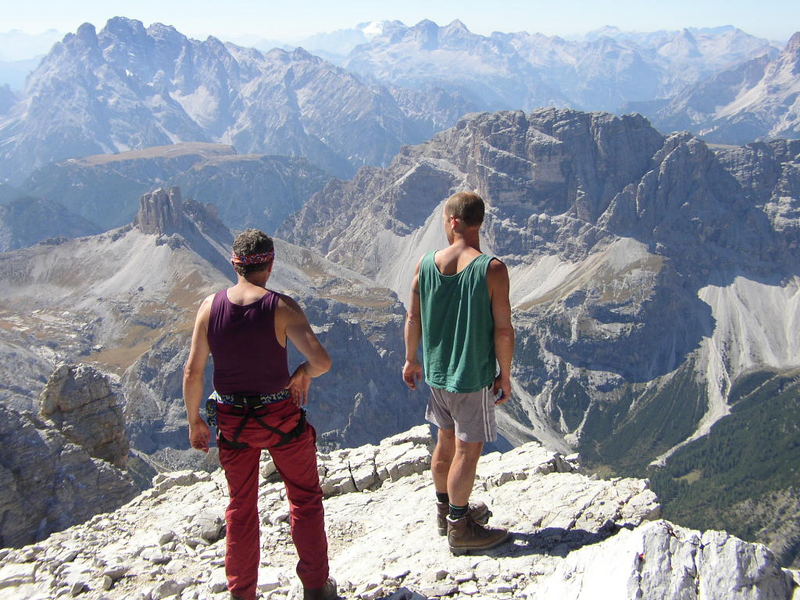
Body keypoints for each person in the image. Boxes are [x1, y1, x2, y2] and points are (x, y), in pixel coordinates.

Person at [183, 229, 336, 600]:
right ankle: (316, 589)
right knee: (304, 499)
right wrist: (300, 374)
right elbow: (321, 362)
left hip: (234, 424)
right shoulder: (281, 308)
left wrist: (195, 421)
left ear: (234, 264)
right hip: (281, 418)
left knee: (241, 507)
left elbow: (193, 372)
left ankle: (242, 593)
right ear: (270, 265)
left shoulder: (210, 307)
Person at [403, 191, 515, 555]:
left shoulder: (425, 264)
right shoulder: (491, 268)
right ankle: (460, 528)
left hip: (436, 374)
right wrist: (506, 373)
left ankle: (444, 513)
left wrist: (411, 360)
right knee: (468, 450)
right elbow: (503, 329)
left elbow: (413, 317)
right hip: (471, 375)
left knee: (445, 441)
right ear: (477, 222)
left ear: (453, 221)